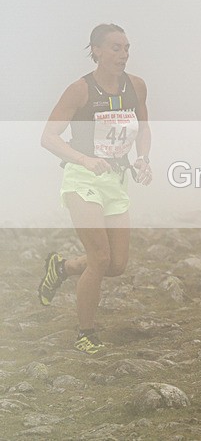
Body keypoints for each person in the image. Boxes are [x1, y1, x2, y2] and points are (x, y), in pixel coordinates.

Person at [38, 23, 152, 354]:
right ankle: (85, 333)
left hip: (116, 180)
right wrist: (83, 159)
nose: (123, 54)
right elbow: (48, 137)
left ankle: (61, 268)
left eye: (127, 48)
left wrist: (143, 158)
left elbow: (144, 128)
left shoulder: (137, 87)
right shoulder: (80, 90)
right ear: (97, 51)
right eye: (115, 47)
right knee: (100, 257)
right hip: (82, 179)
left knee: (116, 265)